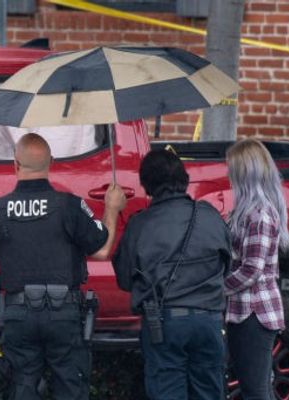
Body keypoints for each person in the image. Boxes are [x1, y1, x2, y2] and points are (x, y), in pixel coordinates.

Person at [0, 133, 126, 400]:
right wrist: (111, 208)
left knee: (23, 387)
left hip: (19, 314)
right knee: (70, 387)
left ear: (15, 165)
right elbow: (100, 250)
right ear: (51, 162)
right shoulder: (69, 206)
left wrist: (10, 247)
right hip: (64, 312)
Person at [112, 149, 231, 400]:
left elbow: (124, 279)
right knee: (210, 392)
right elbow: (227, 265)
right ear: (184, 178)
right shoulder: (210, 216)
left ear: (146, 184)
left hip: (164, 323)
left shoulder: (139, 224)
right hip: (209, 321)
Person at [223, 139, 289, 400]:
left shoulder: (258, 216)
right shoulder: (249, 212)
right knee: (257, 387)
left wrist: (219, 288)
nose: (229, 175)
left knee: (256, 390)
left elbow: (252, 269)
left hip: (255, 312)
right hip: (247, 311)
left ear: (244, 173)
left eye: (233, 169)